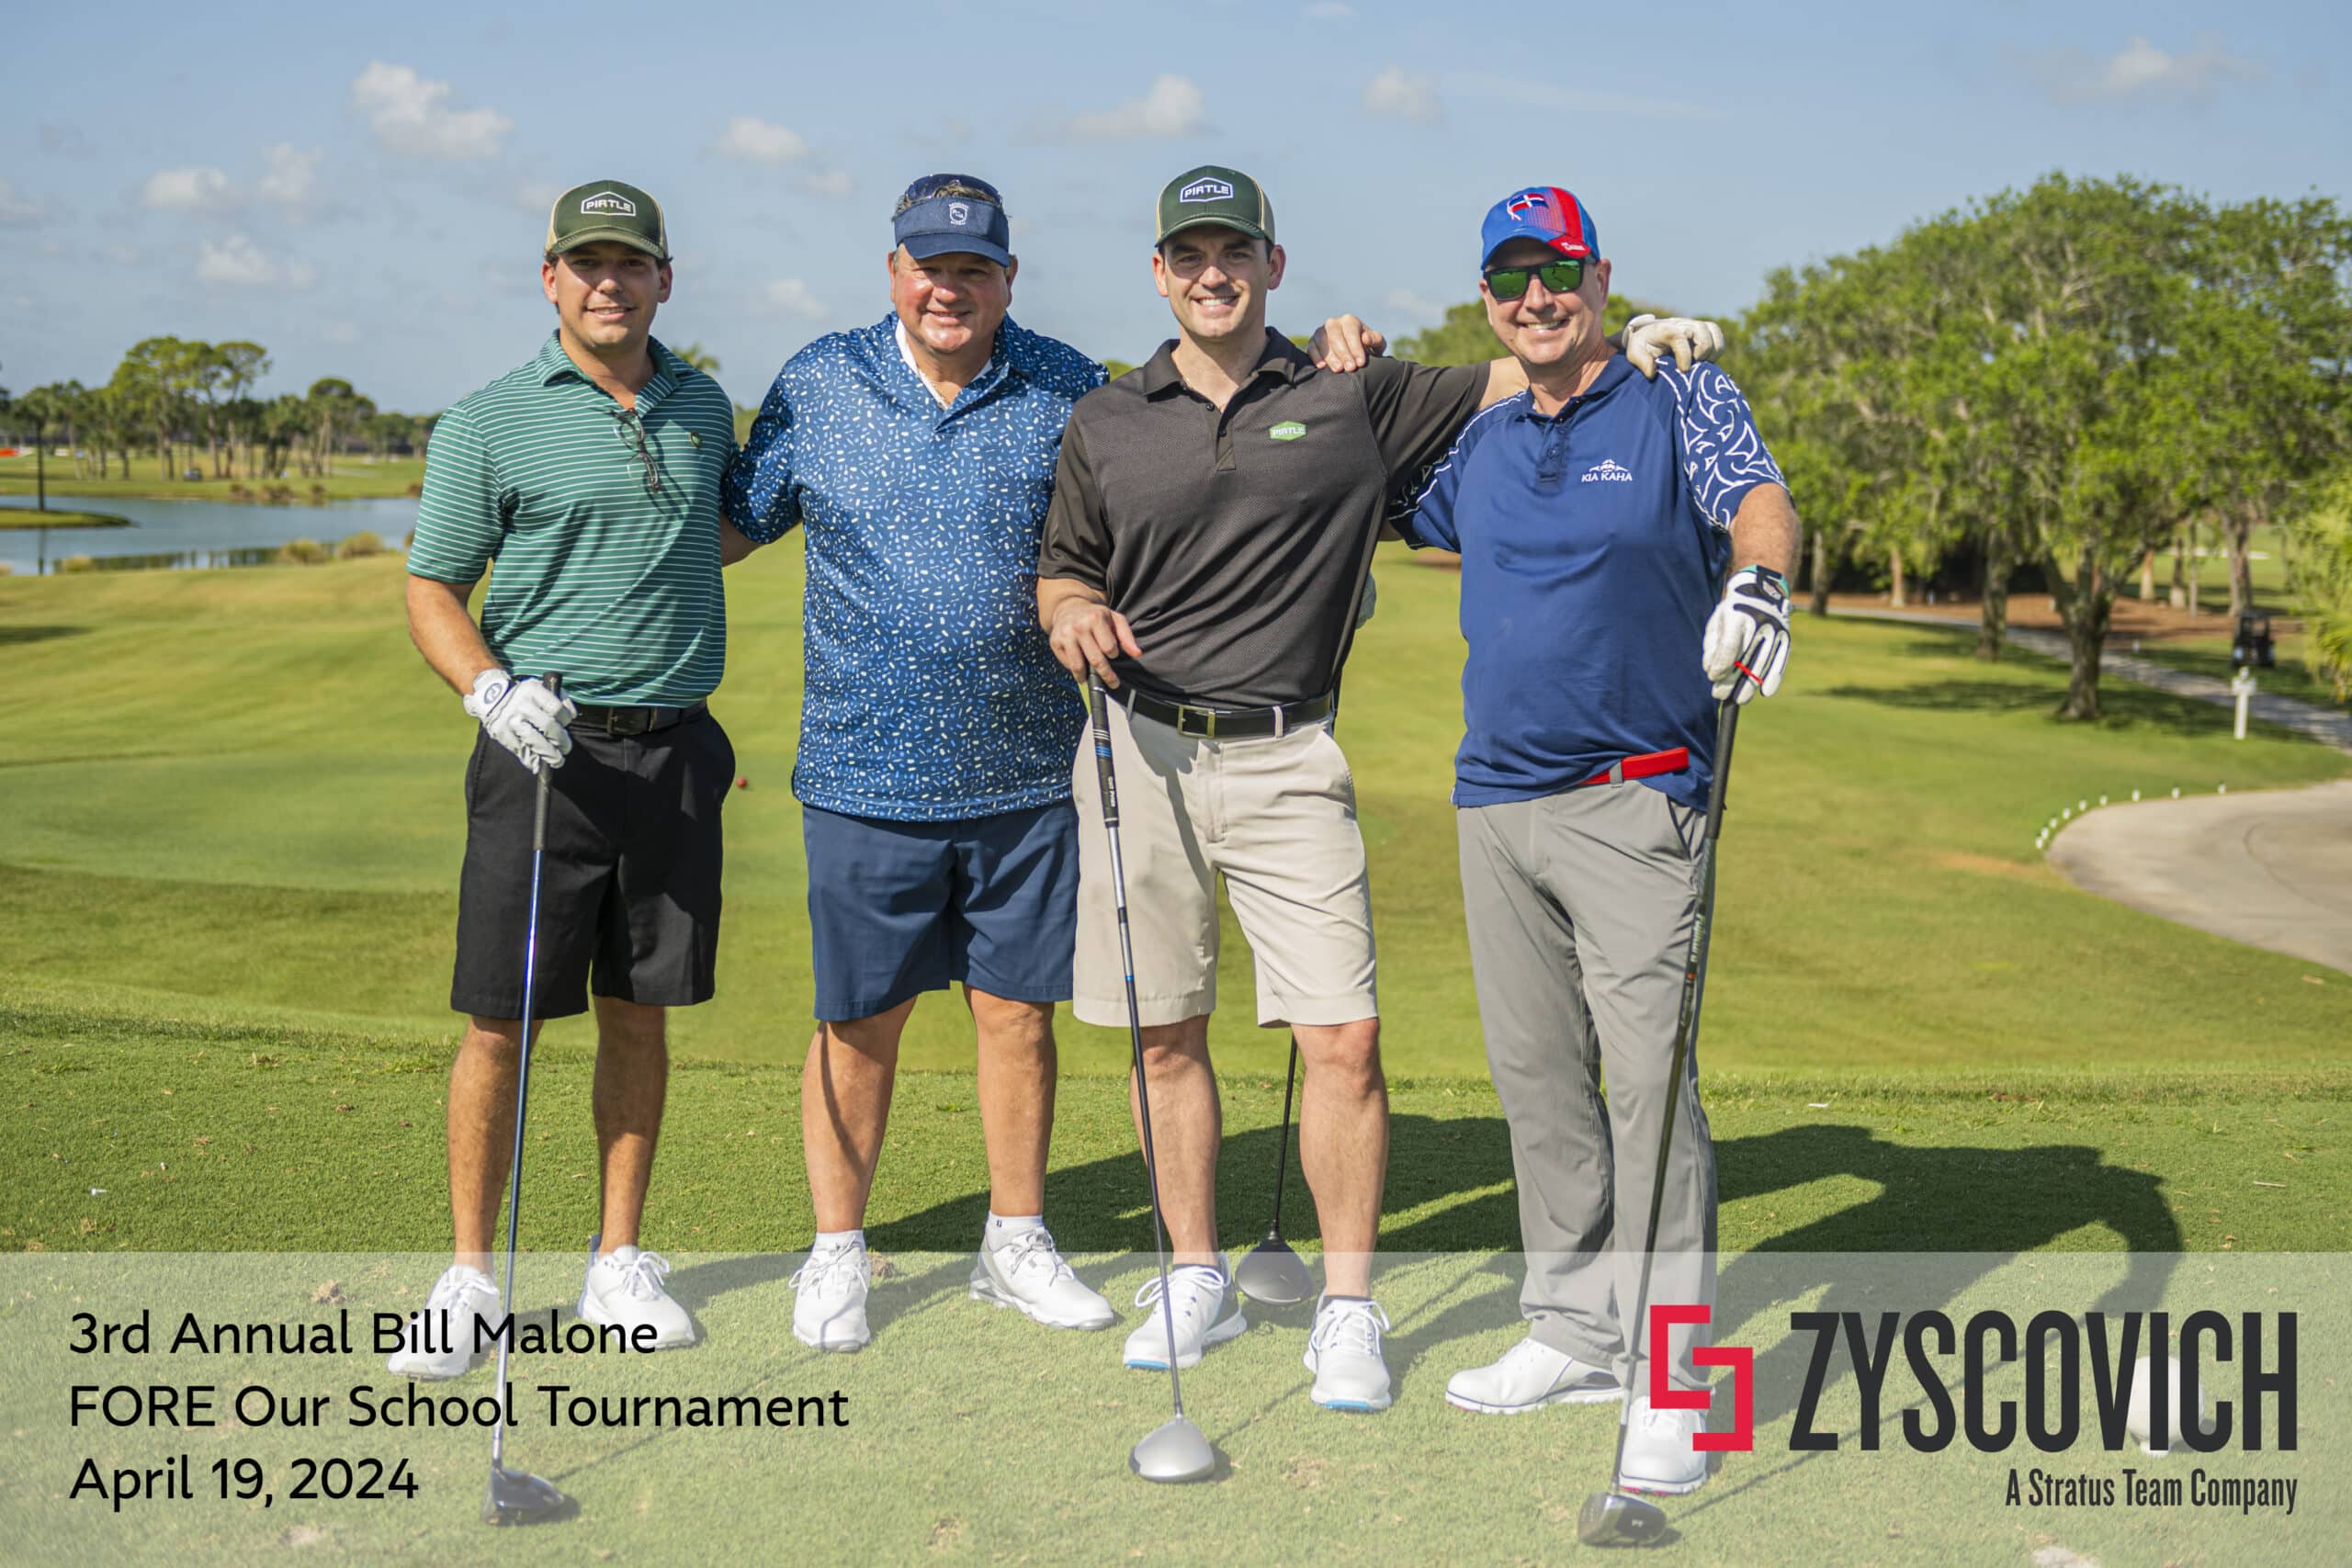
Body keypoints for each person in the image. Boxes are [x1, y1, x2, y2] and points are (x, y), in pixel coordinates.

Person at [1036, 166, 1724, 1413]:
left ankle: (1350, 1307)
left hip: (1291, 752)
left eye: (1233, 251)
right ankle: (1193, 1272)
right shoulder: (1106, 417)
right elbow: (1065, 566)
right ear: (1159, 271)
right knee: (1164, 1030)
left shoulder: (1352, 389)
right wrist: (1071, 610)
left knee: (1343, 1041)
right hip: (1141, 749)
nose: (1211, 273)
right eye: (1188, 255)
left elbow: (1530, 364)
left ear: (1272, 263)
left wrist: (1637, 341)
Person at [1387, 185, 1798, 1495]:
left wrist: (1760, 581)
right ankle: (1571, 1329)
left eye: (1558, 271)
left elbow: (1758, 499)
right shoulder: (1482, 435)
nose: (1538, 296)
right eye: (1513, 277)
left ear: (1600, 277)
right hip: (1495, 801)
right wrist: (1341, 353)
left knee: (1648, 1088)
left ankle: (1673, 1376)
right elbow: (1364, 475)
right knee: (1538, 1080)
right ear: (1488, 297)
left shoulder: (1680, 393)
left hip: (1640, 796)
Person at [721, 175, 1123, 1352]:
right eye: (928, 267)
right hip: (864, 775)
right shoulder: (820, 381)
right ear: (893, 271)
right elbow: (731, 527)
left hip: (1028, 774)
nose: (949, 289)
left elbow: (1135, 525)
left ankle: (1015, 1241)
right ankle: (837, 1250)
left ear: (1008, 278)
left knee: (1019, 1019)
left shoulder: (1067, 385)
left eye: (973, 270)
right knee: (859, 1022)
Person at [390, 178, 739, 1376]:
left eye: (630, 263)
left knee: (641, 1014)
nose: (609, 282)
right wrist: (490, 689)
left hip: (674, 754)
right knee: (502, 1021)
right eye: (586, 264)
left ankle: (616, 1260)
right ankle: (470, 1277)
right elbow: (433, 587)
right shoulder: (488, 420)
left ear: (664, 279)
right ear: (550, 279)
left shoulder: (703, 406)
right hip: (543, 754)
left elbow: (711, 529)